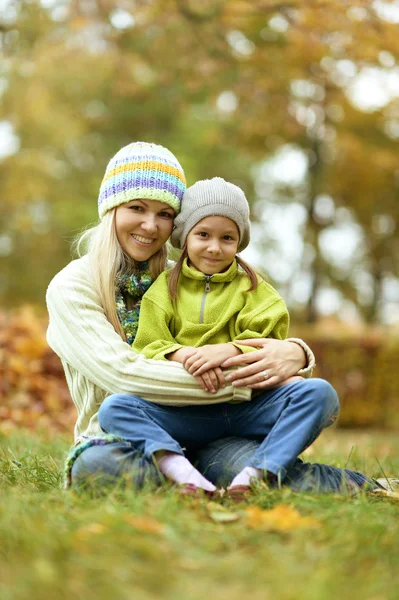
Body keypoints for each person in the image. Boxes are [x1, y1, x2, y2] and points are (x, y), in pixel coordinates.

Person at [46, 141, 375, 495]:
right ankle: (192, 476)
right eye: (137, 207)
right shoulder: (73, 286)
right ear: (111, 208)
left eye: (165, 214)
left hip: (219, 431)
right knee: (99, 467)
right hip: (127, 435)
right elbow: (123, 376)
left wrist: (295, 352)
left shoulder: (189, 276)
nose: (150, 225)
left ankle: (369, 486)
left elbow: (261, 327)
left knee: (248, 467)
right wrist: (247, 380)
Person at [97, 178, 340, 498]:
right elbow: (148, 345)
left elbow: (269, 343)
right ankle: (183, 475)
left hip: (248, 408)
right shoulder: (163, 290)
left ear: (240, 242)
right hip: (184, 413)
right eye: (203, 235)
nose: (214, 247)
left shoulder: (255, 290)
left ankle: (256, 475)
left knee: (320, 394)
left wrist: (224, 352)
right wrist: (183, 356)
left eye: (227, 237)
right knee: (115, 408)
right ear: (184, 237)